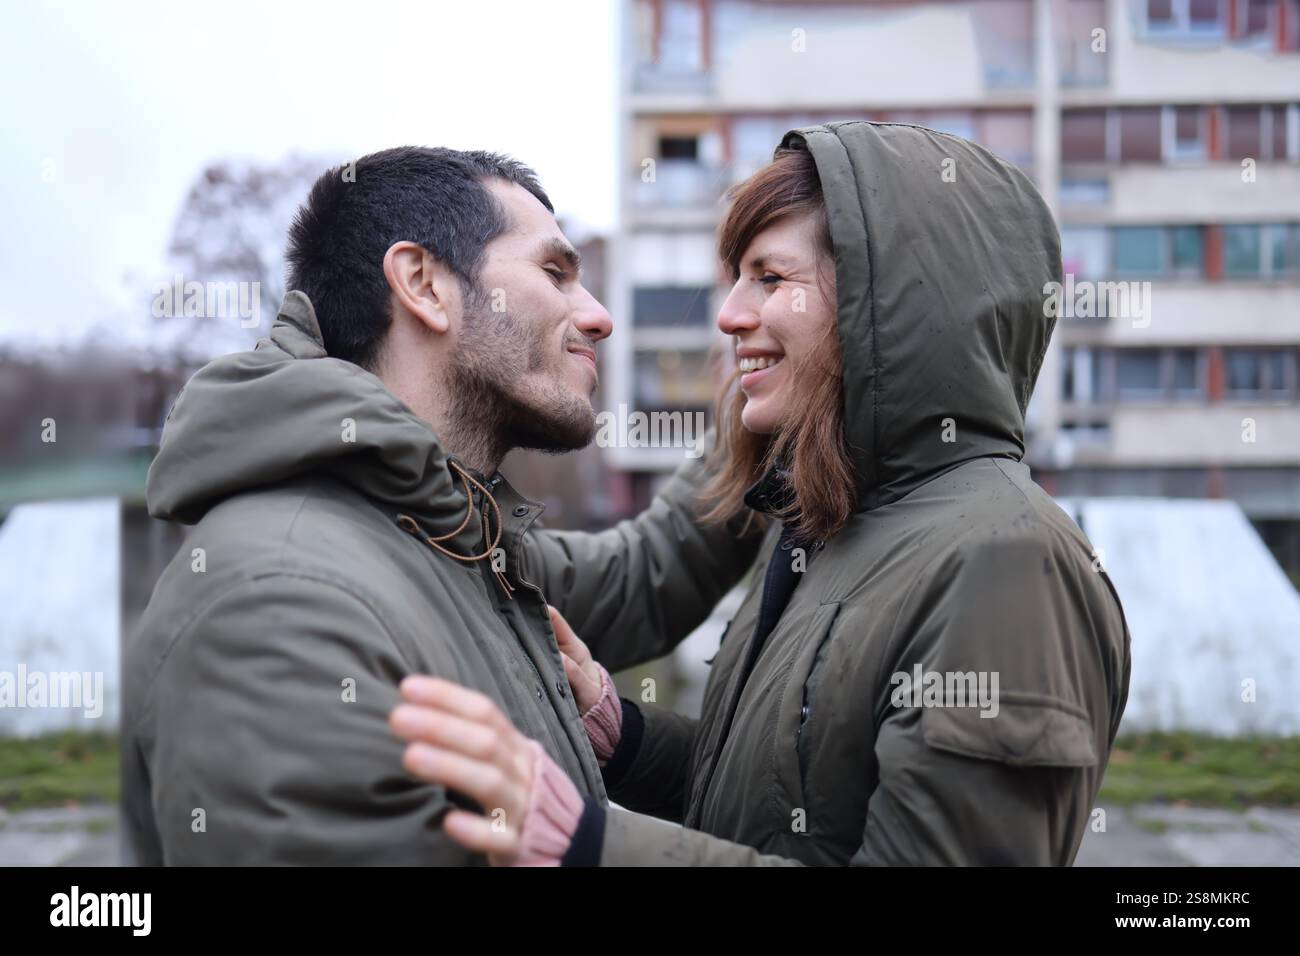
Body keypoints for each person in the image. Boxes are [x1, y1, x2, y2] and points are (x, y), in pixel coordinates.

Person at [389, 122, 1133, 866]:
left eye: (771, 279)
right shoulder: (824, 519)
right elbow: (786, 810)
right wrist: (626, 740)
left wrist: (591, 845)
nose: (729, 315)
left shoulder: (1007, 564)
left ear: (886, 308)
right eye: (737, 279)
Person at [123, 146, 758, 865]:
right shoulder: (277, 604)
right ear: (424, 285)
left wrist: (769, 408)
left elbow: (647, 572)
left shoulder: (456, 534)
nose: (599, 316)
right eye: (555, 272)